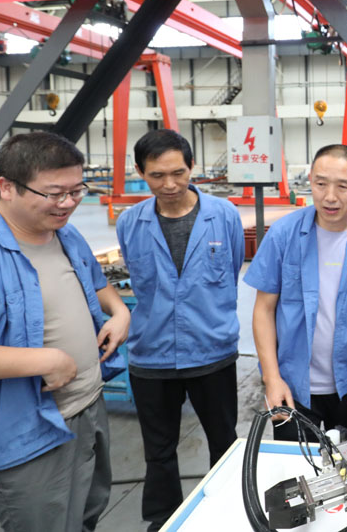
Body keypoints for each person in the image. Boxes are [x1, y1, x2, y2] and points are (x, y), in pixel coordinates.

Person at [0, 132, 130, 532]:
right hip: (23, 434)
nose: (68, 203)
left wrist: (119, 311)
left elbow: (94, 280)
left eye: (76, 191)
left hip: (88, 406)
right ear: (6, 187)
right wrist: (43, 360)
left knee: (86, 514)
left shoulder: (64, 234)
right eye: (54, 193)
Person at [115, 130, 245, 531]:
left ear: (192, 167)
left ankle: (227, 512)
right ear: (140, 172)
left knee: (223, 442)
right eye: (157, 176)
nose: (169, 184)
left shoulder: (223, 215)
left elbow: (233, 271)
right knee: (158, 450)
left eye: (178, 173)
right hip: (151, 355)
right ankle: (163, 518)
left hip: (212, 352)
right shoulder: (130, 222)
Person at [246, 144, 347, 443]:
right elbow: (263, 309)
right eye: (320, 184)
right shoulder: (283, 234)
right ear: (310, 182)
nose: (330, 197)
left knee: (346, 463)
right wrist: (272, 377)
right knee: (295, 466)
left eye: (342, 186)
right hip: (292, 386)